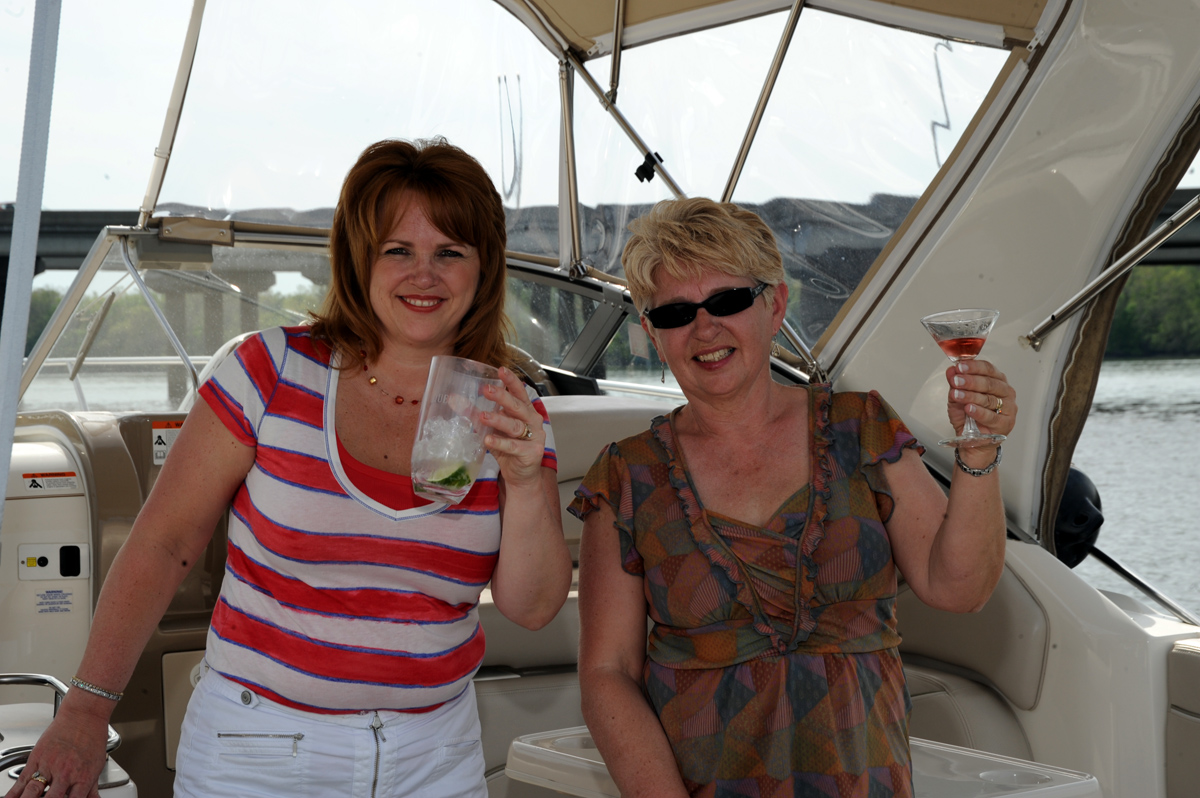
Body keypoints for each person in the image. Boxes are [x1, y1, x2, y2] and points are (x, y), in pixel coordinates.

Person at [10, 139, 572, 798]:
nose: (425, 275)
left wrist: (525, 481)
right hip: (260, 754)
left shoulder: (509, 409)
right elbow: (165, 544)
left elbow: (532, 608)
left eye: (450, 252)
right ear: (359, 259)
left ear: (484, 267)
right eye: (398, 250)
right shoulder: (268, 372)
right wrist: (83, 713)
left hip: (435, 758)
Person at [571, 198, 1017, 798]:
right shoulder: (627, 477)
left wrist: (979, 450)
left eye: (728, 301)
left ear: (775, 304)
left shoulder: (861, 428)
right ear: (652, 333)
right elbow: (609, 673)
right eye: (675, 313)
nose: (705, 328)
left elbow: (959, 589)